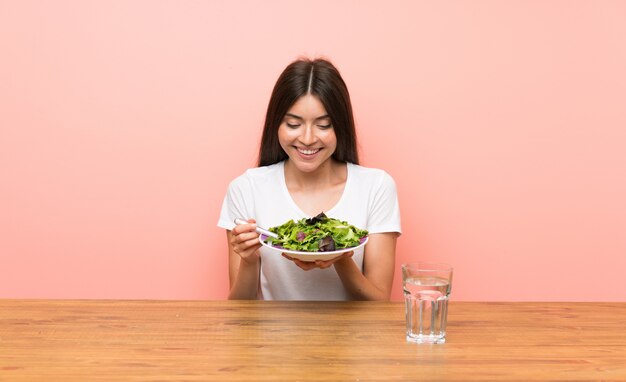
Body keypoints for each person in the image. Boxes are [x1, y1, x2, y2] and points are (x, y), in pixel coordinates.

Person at [217, 57, 401, 300]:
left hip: (351, 337)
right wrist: (249, 260)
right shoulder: (246, 188)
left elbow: (379, 304)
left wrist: (340, 258)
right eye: (293, 124)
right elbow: (240, 309)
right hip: (270, 337)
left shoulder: (376, 187)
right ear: (277, 124)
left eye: (323, 125)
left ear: (341, 127)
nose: (307, 138)